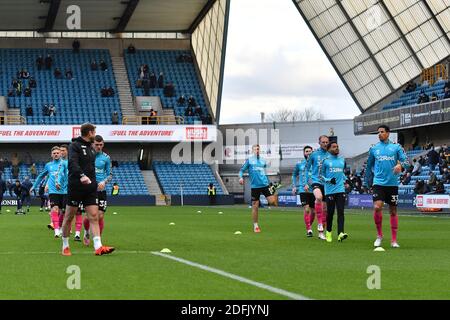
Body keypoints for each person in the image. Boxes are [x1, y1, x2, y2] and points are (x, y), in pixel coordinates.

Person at [61, 123, 114, 256]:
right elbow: (72, 164)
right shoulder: (74, 146)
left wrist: (95, 182)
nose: (95, 134)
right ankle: (65, 246)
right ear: (90, 133)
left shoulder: (92, 148)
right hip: (76, 187)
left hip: (90, 188)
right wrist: (82, 175)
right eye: (94, 132)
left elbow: (93, 168)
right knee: (68, 217)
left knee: (94, 216)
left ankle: (98, 247)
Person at [363, 125, 410, 248]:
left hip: (392, 184)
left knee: (393, 211)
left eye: (382, 132)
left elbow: (407, 162)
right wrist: (366, 181)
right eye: (378, 132)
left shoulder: (396, 147)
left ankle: (394, 240)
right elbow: (369, 166)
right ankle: (379, 235)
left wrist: (401, 166)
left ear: (388, 133)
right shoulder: (374, 149)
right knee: (377, 207)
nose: (379, 134)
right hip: (378, 183)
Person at [239, 144, 278, 233]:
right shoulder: (249, 160)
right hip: (255, 187)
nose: (257, 150)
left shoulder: (262, 160)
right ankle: (256, 225)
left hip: (265, 185)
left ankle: (273, 189)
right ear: (252, 151)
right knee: (255, 206)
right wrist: (240, 177)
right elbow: (241, 170)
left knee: (272, 202)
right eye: (255, 149)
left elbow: (265, 168)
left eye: (258, 149)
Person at [82, 135, 112, 246]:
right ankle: (86, 232)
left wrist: (104, 182)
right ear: (92, 144)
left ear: (103, 144)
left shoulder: (106, 158)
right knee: (90, 216)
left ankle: (98, 239)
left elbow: (110, 174)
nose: (98, 146)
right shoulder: (86, 156)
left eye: (101, 145)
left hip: (101, 190)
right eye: (96, 144)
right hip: (88, 189)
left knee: (100, 215)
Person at [30, 146, 65, 237]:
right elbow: (41, 176)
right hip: (53, 191)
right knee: (55, 209)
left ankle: (60, 227)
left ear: (60, 154)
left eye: (57, 153)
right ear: (51, 155)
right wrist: (34, 186)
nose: (56, 154)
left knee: (63, 212)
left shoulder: (65, 164)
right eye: (54, 153)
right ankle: (56, 230)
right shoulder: (48, 165)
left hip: (64, 191)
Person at [320, 142, 348, 243]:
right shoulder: (325, 161)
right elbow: (320, 175)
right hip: (330, 191)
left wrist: (346, 180)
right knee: (330, 213)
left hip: (340, 190)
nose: (336, 148)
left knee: (341, 212)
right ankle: (328, 232)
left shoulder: (342, 160)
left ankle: (340, 233)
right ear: (328, 149)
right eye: (334, 147)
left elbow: (341, 173)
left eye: (337, 147)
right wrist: (328, 180)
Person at [304, 135, 330, 240]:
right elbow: (307, 168)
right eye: (323, 142)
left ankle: (321, 232)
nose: (325, 144)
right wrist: (307, 181)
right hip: (316, 181)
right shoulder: (314, 155)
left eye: (326, 142)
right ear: (319, 143)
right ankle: (319, 224)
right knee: (318, 197)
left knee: (325, 209)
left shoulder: (330, 154)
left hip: (327, 183)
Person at [292, 145, 316, 237]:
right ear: (304, 153)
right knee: (306, 209)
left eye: (310, 151)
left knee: (313, 212)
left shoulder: (316, 164)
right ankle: (309, 229)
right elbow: (294, 175)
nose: (308, 153)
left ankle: (309, 226)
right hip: (303, 190)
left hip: (314, 190)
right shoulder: (299, 164)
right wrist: (294, 186)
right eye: (307, 151)